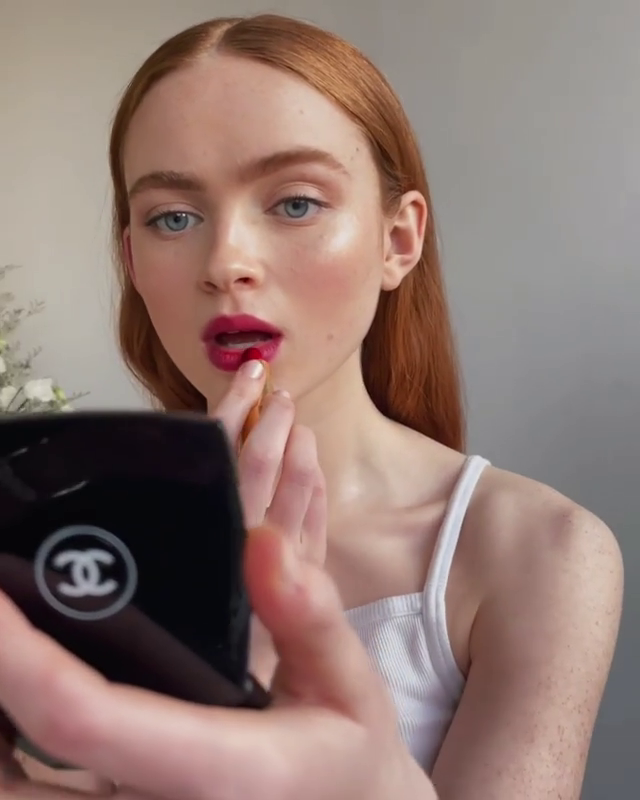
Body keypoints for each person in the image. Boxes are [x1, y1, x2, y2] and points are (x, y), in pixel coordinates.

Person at [0, 12, 623, 800]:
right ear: (132, 257)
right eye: (173, 218)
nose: (226, 262)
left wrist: (246, 677)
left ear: (398, 240)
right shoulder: (71, 545)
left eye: (295, 203)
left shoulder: (540, 551)